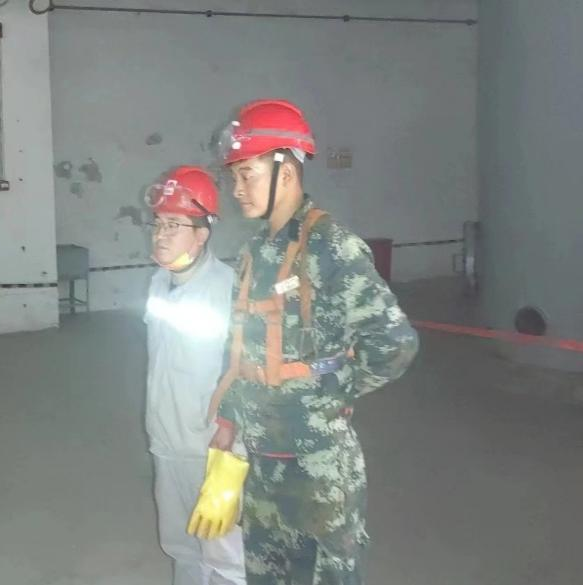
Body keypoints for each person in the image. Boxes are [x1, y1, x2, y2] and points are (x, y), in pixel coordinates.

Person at [189, 99, 420, 584]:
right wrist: (228, 422)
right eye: (233, 177)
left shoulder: (331, 247)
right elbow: (241, 348)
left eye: (247, 174)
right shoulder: (254, 251)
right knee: (266, 573)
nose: (237, 189)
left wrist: (336, 391)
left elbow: (395, 342)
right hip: (263, 460)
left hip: (319, 467)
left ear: (287, 171)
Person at [144, 167, 246, 584]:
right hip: (166, 440)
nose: (160, 235)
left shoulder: (228, 289)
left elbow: (245, 368)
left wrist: (230, 432)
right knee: (181, 546)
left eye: (174, 225)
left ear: (202, 233)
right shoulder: (158, 282)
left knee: (223, 552)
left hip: (212, 446)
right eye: (158, 224)